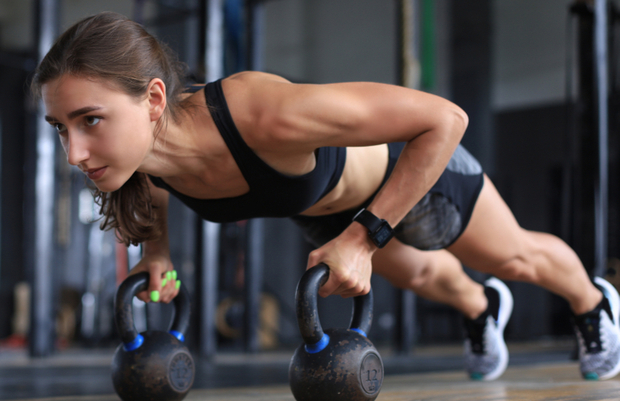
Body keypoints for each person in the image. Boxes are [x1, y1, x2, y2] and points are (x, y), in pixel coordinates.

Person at [32, 12, 620, 381]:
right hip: (331, 216)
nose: (74, 153)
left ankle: (592, 304)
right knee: (426, 279)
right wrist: (154, 254)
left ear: (154, 100)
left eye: (90, 121)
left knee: (512, 258)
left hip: (415, 176)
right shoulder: (140, 154)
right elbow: (152, 188)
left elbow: (445, 119)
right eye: (61, 127)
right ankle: (482, 310)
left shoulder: (262, 114)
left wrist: (364, 239)